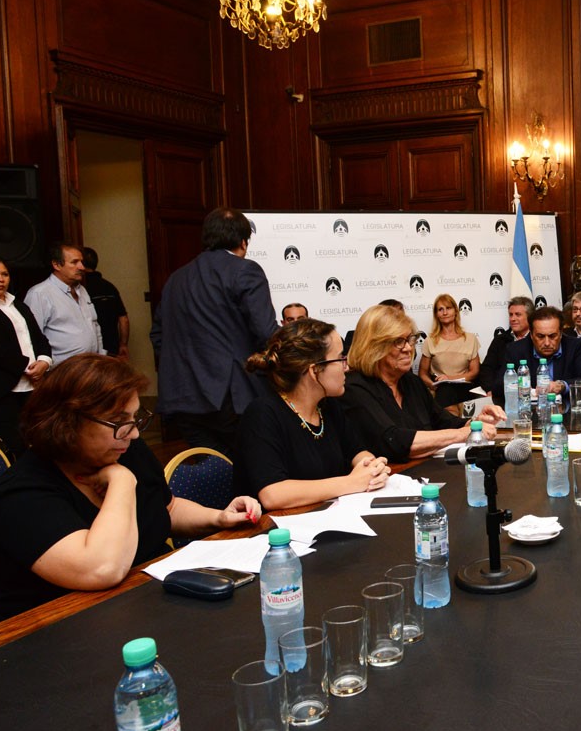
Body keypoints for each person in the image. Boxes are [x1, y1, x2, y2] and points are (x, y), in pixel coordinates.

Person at [0, 355, 262, 621]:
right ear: (66, 423)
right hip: (53, 638)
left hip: (144, 608)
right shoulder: (21, 494)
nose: (134, 433)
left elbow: (168, 507)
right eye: (118, 422)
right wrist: (122, 481)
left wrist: (217, 518)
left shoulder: (123, 448)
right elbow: (103, 569)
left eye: (134, 418)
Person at [150, 207, 278, 456]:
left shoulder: (176, 278)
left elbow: (158, 336)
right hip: (231, 395)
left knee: (213, 472)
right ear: (244, 242)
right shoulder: (245, 270)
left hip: (184, 397)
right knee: (251, 469)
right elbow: (266, 332)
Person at [235, 319, 390, 510]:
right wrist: (352, 482)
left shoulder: (328, 406)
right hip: (275, 533)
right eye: (340, 357)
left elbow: (357, 451)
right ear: (314, 370)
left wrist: (372, 468)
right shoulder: (262, 414)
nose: (347, 367)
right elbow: (273, 494)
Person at [342, 305, 505, 461]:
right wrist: (465, 433)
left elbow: (443, 421)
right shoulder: (354, 388)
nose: (408, 348)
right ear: (373, 347)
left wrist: (476, 423)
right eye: (398, 341)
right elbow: (395, 441)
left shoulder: (410, 382)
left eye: (409, 339)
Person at [0, 257, 51, 458]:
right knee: (11, 446)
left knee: (37, 441)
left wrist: (44, 361)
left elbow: (39, 338)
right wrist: (27, 366)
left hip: (31, 387)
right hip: (1, 391)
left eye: (4, 274)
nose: (0, 279)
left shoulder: (18, 305)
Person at [23, 242, 103, 365]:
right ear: (56, 265)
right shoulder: (39, 294)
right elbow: (31, 337)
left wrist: (101, 357)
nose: (81, 267)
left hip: (90, 368)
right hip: (61, 372)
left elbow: (94, 325)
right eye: (74, 262)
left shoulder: (82, 290)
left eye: (82, 262)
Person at [494, 307, 581, 405]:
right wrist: (523, 388)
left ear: (561, 333)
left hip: (566, 410)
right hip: (528, 412)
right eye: (540, 336)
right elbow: (499, 385)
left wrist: (562, 385)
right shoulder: (515, 350)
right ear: (531, 335)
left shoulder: (576, 347)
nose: (547, 343)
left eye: (552, 336)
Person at [419, 293, 482, 409]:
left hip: (464, 387)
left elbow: (474, 372)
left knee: (447, 394)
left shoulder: (470, 339)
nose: (445, 313)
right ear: (436, 315)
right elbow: (422, 373)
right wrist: (432, 385)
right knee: (445, 391)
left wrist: (450, 378)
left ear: (456, 311)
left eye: (448, 308)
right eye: (440, 309)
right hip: (440, 388)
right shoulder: (430, 341)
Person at [81, 247, 129, 359]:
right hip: (112, 347)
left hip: (89, 351)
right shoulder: (109, 287)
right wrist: (123, 344)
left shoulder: (80, 289)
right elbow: (124, 319)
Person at [479, 296, 533, 395]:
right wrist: (490, 389)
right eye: (511, 315)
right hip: (501, 393)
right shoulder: (500, 340)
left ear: (529, 317)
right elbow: (487, 369)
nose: (513, 319)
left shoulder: (537, 339)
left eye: (518, 315)